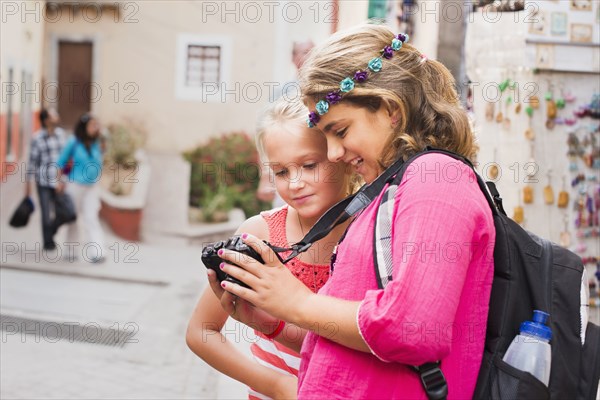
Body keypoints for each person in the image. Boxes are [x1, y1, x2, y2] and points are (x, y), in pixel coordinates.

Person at [211, 24, 496, 399]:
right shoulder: (400, 185)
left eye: (340, 130)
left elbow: (412, 329)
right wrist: (278, 322)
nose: (333, 153)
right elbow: (358, 343)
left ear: (390, 109)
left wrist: (298, 302)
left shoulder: (435, 180)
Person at [186, 97, 354, 399]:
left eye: (309, 165)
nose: (295, 182)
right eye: (281, 172)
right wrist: (276, 385)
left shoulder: (368, 233)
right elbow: (201, 331)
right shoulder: (259, 234)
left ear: (340, 154)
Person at [256, 40, 316, 208]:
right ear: (293, 58)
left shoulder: (324, 90)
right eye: (304, 52)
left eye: (312, 52)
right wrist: (265, 178)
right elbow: (265, 138)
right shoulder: (281, 93)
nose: (309, 57)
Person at [56, 113, 106, 263]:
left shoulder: (98, 142)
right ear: (84, 127)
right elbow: (60, 162)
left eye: (96, 125)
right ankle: (71, 251)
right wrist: (59, 182)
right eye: (92, 125)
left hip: (92, 187)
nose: (95, 128)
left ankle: (97, 252)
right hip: (75, 185)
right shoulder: (74, 142)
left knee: (91, 217)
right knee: (73, 218)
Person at [25, 108, 66, 250]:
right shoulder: (37, 138)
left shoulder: (61, 135)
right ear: (46, 120)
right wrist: (28, 187)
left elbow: (65, 159)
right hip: (43, 181)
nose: (57, 116)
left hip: (58, 181)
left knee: (65, 211)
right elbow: (32, 162)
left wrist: (63, 180)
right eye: (54, 115)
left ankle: (51, 232)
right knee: (46, 214)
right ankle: (48, 242)